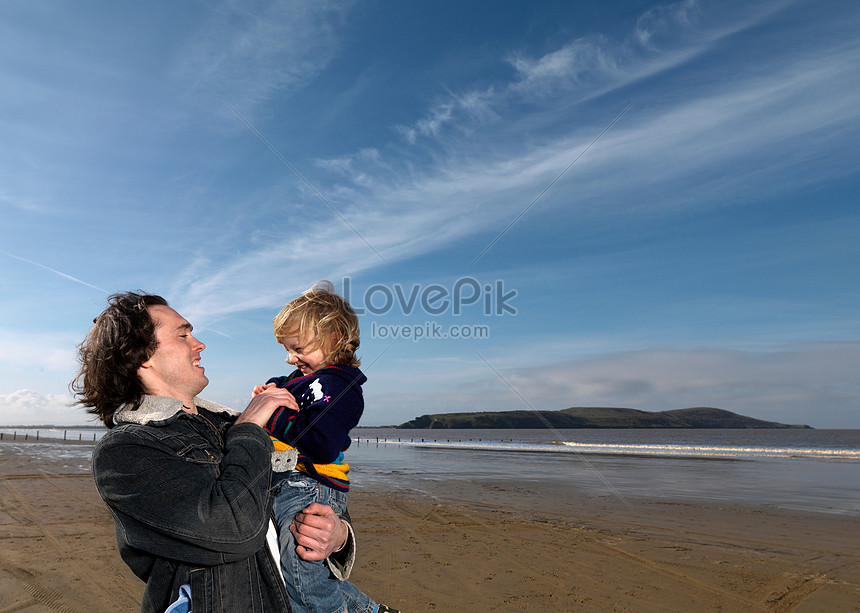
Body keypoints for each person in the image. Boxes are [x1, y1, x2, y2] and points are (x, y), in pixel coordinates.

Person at [73, 292, 355, 613]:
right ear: (142, 356)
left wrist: (338, 537)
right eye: (183, 334)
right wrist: (249, 428)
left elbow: (299, 496)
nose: (199, 344)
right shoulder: (126, 449)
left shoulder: (230, 425)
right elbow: (235, 533)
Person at [255, 281, 395, 613]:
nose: (291, 358)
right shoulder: (304, 378)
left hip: (311, 487)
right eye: (287, 349)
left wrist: (268, 412)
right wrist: (270, 391)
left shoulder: (340, 386)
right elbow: (284, 386)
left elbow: (321, 441)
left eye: (298, 348)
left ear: (332, 339)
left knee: (301, 574)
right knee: (291, 570)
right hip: (285, 480)